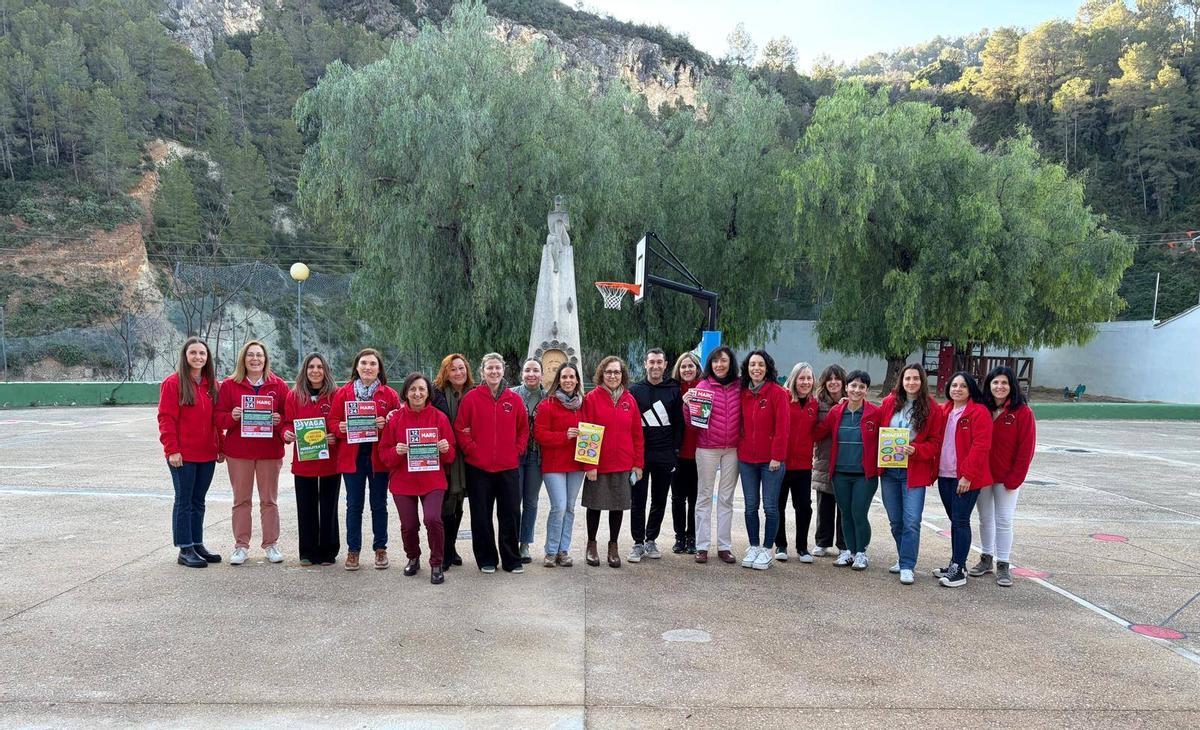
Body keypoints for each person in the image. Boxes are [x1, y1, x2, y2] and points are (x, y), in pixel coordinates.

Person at [215, 340, 288, 566]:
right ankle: (241, 546)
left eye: (259, 355)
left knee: (269, 500)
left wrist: (279, 421)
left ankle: (270, 544)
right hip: (240, 452)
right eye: (250, 355)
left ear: (265, 359)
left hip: (269, 452)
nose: (255, 359)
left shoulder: (279, 386)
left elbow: (289, 419)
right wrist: (232, 417)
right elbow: (218, 417)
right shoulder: (229, 385)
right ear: (243, 359)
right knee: (241, 500)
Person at [380, 372, 457, 585]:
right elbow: (384, 455)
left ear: (428, 392)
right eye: (413, 389)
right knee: (409, 525)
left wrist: (444, 448)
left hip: (432, 480)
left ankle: (436, 563)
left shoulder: (439, 417)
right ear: (405, 392)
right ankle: (413, 557)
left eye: (422, 389)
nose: (417, 393)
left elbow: (451, 454)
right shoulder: (395, 418)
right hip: (403, 481)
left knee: (433, 519)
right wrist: (396, 451)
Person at [455, 353, 529, 574]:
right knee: (481, 514)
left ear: (503, 370)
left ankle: (511, 559)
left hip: (508, 467)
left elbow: (523, 430)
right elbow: (460, 428)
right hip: (479, 468)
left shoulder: (514, 400)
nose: (494, 372)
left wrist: (516, 451)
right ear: (482, 371)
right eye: (490, 368)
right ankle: (486, 558)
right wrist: (472, 450)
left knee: (510, 514)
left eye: (498, 368)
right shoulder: (471, 398)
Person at [331, 348, 400, 572]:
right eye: (363, 363)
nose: (368, 367)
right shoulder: (344, 393)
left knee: (379, 505)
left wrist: (387, 424)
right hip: (352, 458)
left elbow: (399, 423)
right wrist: (340, 428)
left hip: (378, 458)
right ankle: (353, 551)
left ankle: (380, 549)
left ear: (379, 368)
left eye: (372, 364)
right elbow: (332, 421)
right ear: (357, 367)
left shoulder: (389, 394)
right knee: (354, 505)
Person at [968, 365, 1036, 587]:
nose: (999, 386)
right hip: (983, 475)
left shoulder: (1022, 413)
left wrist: (1015, 478)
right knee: (985, 518)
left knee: (1004, 520)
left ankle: (1003, 564)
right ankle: (986, 558)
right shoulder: (981, 409)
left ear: (1012, 386)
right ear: (988, 385)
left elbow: (1026, 449)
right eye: (995, 382)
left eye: (1004, 383)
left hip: (1007, 478)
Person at [877, 363, 944, 585]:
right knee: (895, 521)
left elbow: (935, 443)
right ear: (901, 381)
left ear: (922, 381)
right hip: (889, 471)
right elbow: (873, 421)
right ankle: (902, 556)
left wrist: (917, 450)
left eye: (916, 378)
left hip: (913, 471)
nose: (911, 382)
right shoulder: (890, 403)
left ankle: (907, 565)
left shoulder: (932, 408)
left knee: (912, 520)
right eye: (907, 378)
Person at [158, 337, 221, 568]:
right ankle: (185, 548)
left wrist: (220, 447)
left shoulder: (212, 384)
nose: (198, 357)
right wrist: (172, 450)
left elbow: (216, 419)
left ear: (207, 357)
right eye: (193, 353)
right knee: (183, 501)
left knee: (198, 501)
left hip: (207, 454)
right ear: (185, 356)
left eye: (202, 353)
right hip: (182, 455)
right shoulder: (173, 383)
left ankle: (197, 543)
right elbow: (166, 419)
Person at [579, 356, 644, 568]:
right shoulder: (591, 398)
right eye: (608, 372)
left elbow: (637, 435)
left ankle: (613, 547)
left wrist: (638, 464)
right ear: (602, 374)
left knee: (617, 506)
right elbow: (586, 432)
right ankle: (591, 545)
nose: (613, 376)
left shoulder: (630, 400)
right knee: (595, 506)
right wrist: (589, 465)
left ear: (622, 375)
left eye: (616, 372)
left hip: (623, 464)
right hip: (599, 464)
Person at [815, 369, 880, 571]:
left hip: (864, 475)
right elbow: (819, 432)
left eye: (861, 386)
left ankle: (861, 552)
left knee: (858, 513)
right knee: (845, 513)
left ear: (867, 390)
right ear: (847, 387)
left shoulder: (875, 413)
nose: (857, 390)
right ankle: (849, 552)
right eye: (853, 385)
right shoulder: (836, 412)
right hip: (840, 473)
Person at [934, 371, 994, 588]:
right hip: (945, 474)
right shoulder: (945, 410)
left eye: (962, 386)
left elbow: (981, 447)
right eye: (954, 385)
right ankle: (954, 563)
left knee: (960, 521)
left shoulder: (979, 412)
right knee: (955, 521)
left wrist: (967, 476)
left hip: (965, 478)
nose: (957, 389)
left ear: (970, 390)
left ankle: (958, 569)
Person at [282, 353, 341, 566]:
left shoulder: (336, 395)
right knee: (305, 508)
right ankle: (307, 552)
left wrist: (336, 435)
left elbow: (340, 423)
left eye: (319, 367)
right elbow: (288, 423)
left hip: (330, 462)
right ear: (304, 370)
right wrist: (286, 433)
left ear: (326, 370)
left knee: (329, 507)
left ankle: (328, 552)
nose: (315, 371)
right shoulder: (294, 395)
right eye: (311, 367)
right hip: (304, 462)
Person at [685, 346, 741, 565]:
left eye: (724, 360)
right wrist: (687, 406)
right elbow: (692, 425)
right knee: (705, 496)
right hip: (707, 447)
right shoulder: (703, 386)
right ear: (710, 364)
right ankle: (702, 546)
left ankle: (724, 546)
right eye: (716, 361)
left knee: (726, 498)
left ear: (730, 363)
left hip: (733, 449)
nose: (720, 364)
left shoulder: (739, 386)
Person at [737, 350, 790, 571]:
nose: (756, 368)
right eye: (752, 365)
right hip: (747, 459)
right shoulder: (742, 393)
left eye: (760, 364)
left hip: (771, 461)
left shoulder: (777, 393)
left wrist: (777, 456)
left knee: (770, 507)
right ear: (747, 368)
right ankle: (754, 546)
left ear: (767, 367)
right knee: (750, 507)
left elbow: (783, 428)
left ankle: (768, 548)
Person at [628, 348, 683, 563]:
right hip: (640, 457)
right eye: (651, 362)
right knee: (637, 501)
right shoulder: (635, 390)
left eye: (659, 362)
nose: (655, 366)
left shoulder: (673, 390)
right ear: (645, 364)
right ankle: (637, 542)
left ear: (665, 364)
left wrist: (674, 452)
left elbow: (679, 424)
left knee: (659, 500)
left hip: (665, 456)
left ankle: (651, 539)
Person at [534, 363, 586, 567]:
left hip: (576, 463)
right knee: (559, 506)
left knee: (570, 508)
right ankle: (550, 550)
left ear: (577, 380)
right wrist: (564, 436)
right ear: (558, 379)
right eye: (564, 377)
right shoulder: (548, 404)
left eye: (572, 377)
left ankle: (563, 550)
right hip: (554, 464)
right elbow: (540, 435)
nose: (568, 380)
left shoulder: (583, 404)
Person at [431, 353, 474, 569]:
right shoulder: (435, 394)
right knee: (445, 504)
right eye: (453, 369)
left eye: (461, 368)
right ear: (445, 372)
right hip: (444, 456)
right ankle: (444, 550)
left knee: (458, 503)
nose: (458, 372)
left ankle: (452, 546)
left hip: (467, 457)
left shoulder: (475, 393)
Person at [775, 362, 819, 563]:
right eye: (801, 378)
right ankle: (780, 545)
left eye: (809, 378)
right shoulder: (783, 398)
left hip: (802, 465)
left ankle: (802, 547)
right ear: (793, 379)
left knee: (804, 506)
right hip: (780, 463)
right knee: (777, 505)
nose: (805, 382)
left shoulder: (815, 404)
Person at [811, 365, 848, 558]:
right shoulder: (818, 404)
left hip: (846, 459)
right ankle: (822, 541)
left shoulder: (853, 402)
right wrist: (834, 415)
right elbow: (815, 433)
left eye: (837, 378)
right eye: (829, 379)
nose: (833, 382)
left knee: (844, 504)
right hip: (824, 459)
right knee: (824, 504)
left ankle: (843, 543)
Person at [512, 358, 546, 564]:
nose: (531, 374)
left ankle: (525, 543)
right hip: (515, 455)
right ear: (522, 374)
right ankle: (511, 540)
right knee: (514, 500)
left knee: (531, 501)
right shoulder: (513, 394)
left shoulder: (548, 397)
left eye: (535, 370)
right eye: (527, 370)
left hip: (537, 456)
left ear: (541, 374)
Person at [670, 352, 702, 554]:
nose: (687, 370)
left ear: (697, 368)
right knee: (677, 498)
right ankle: (679, 536)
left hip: (699, 452)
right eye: (683, 366)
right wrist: (682, 403)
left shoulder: (704, 389)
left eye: (691, 366)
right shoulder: (673, 390)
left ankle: (693, 536)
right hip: (678, 453)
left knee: (696, 498)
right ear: (678, 370)